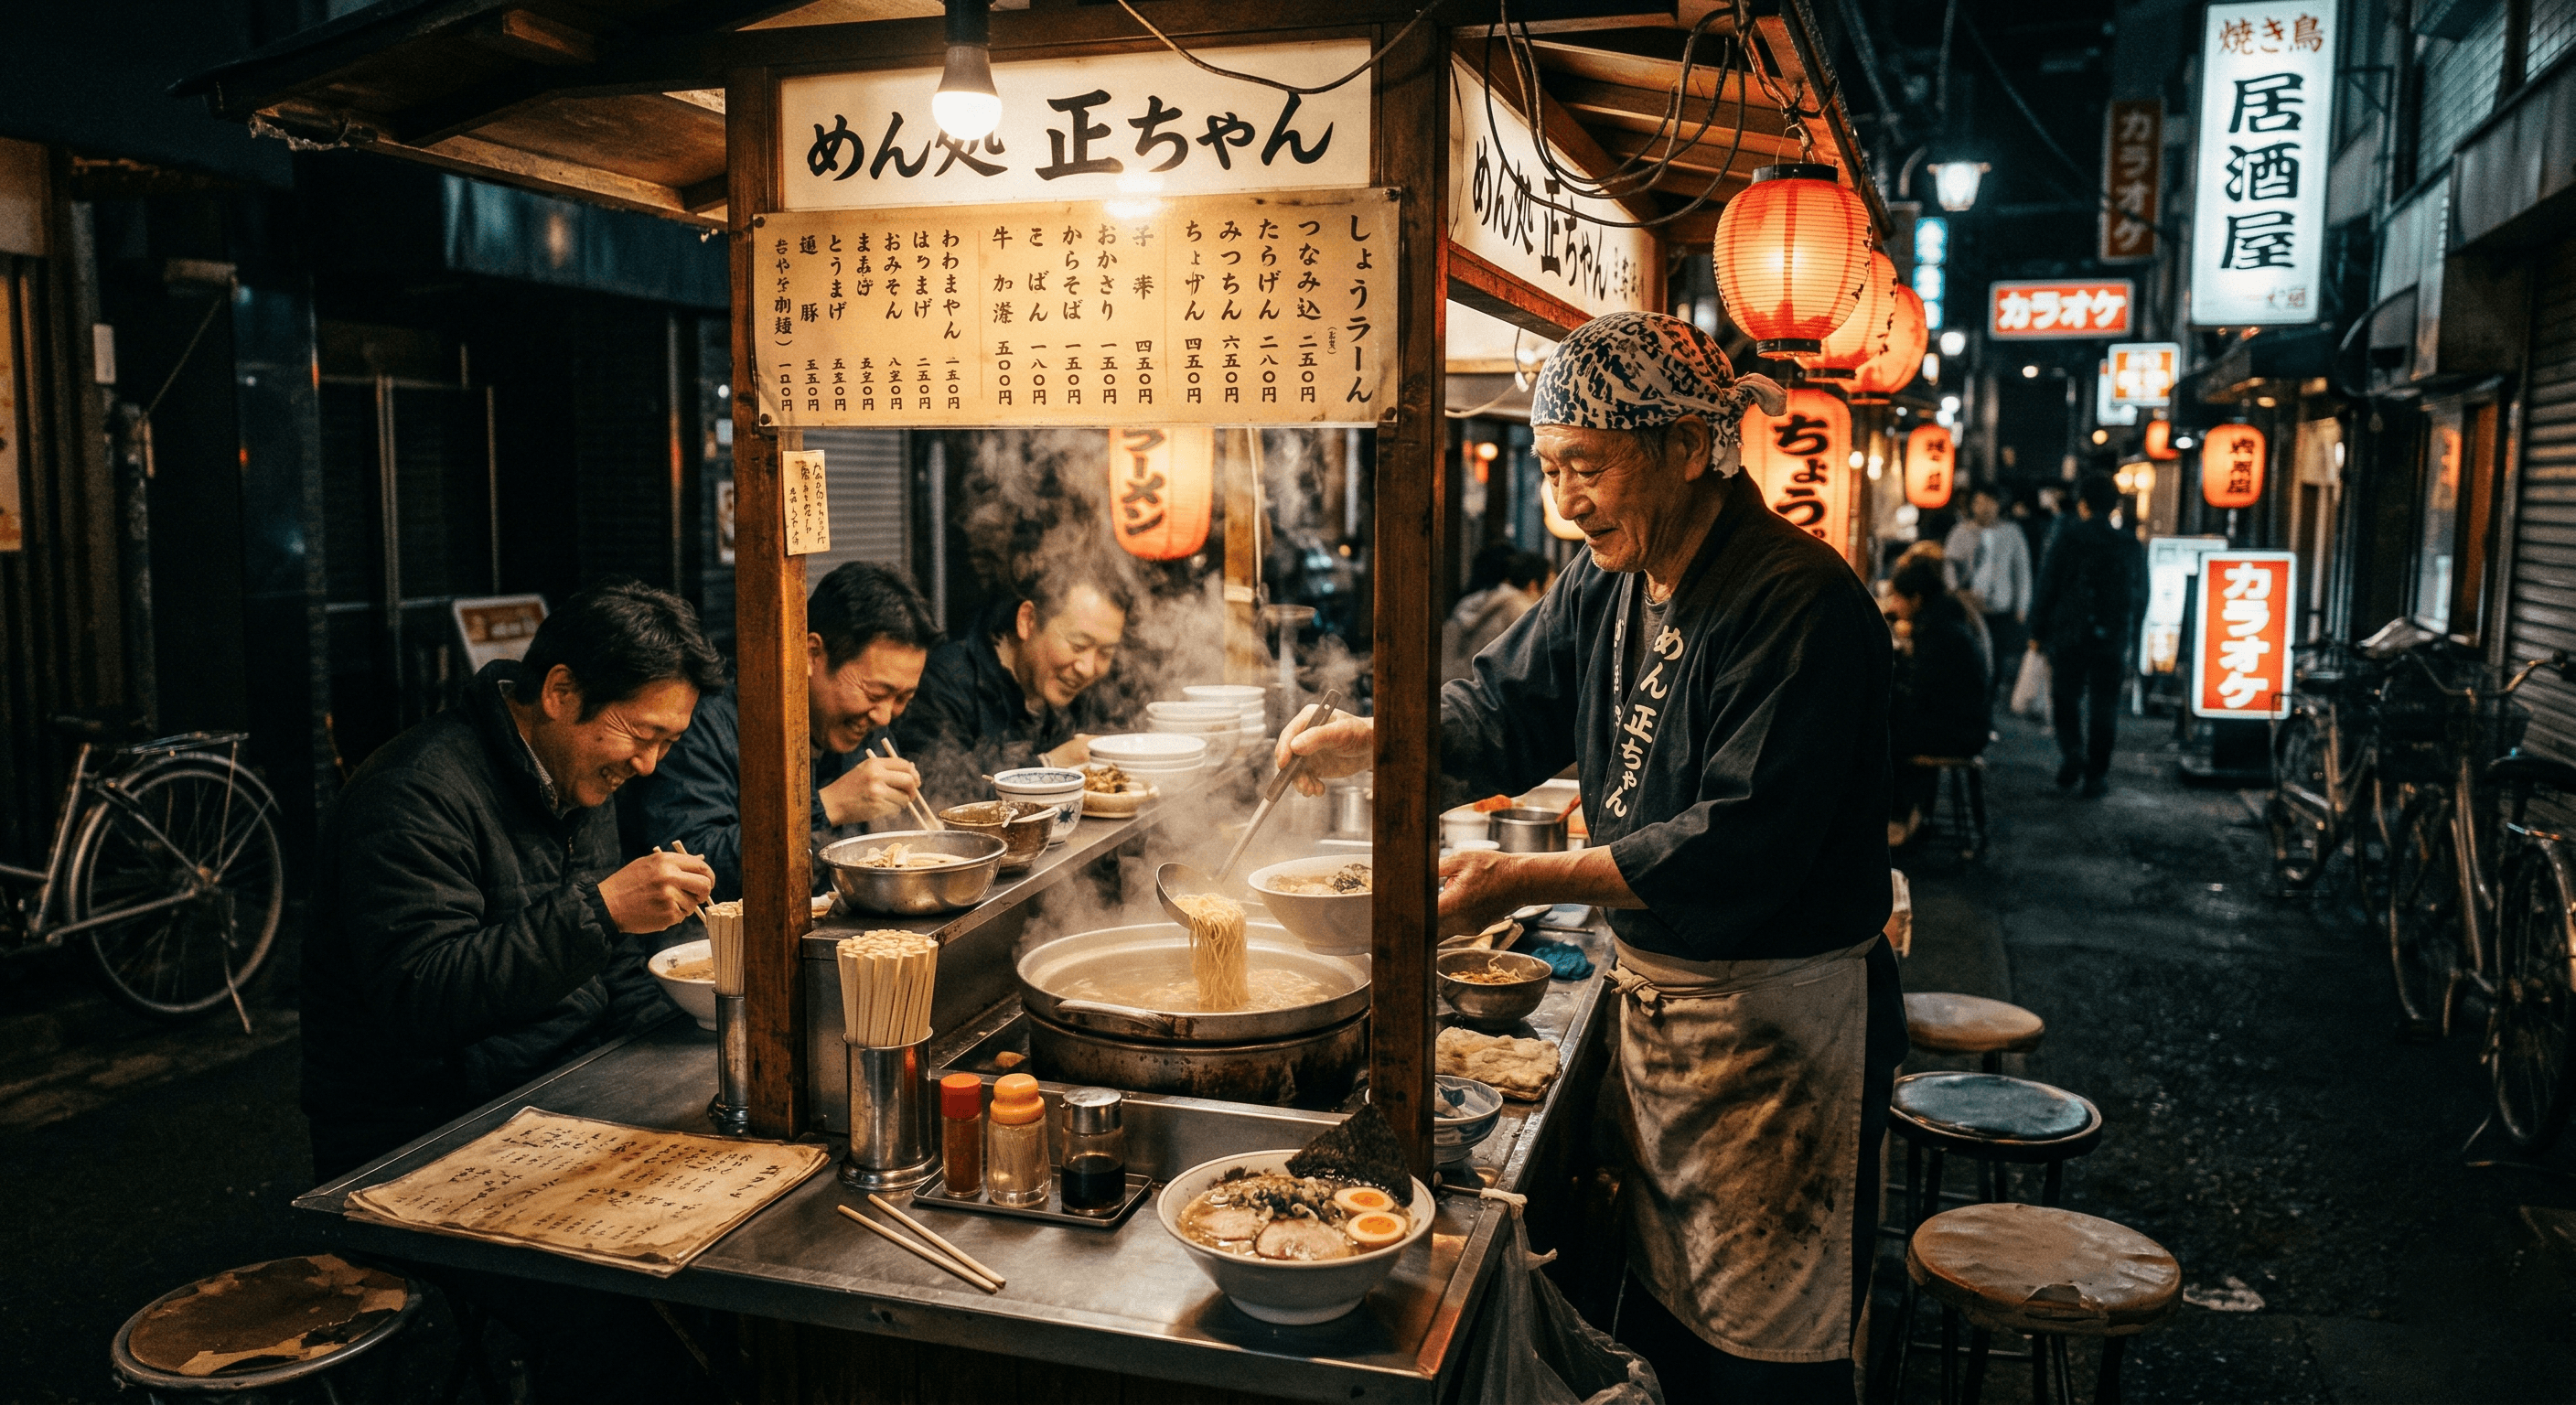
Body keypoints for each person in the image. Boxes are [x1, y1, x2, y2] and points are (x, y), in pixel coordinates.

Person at [1280, 312, 1904, 1405]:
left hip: (1779, 1033)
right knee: (1664, 1320)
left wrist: (1525, 878)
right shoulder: (1608, 579)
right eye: (1547, 467)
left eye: (1586, 465)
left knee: (1764, 1358)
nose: (1564, 500)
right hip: (1668, 1016)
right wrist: (1376, 743)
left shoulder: (1795, 599)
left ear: (1679, 446)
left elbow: (1743, 833)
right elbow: (1500, 711)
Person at [300, 580, 729, 1400]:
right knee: (629, 1324)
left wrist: (696, 1038)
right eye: (641, 735)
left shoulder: (577, 773)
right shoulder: (412, 795)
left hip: (551, 1100)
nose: (647, 766)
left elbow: (603, 974)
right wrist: (601, 910)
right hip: (421, 1133)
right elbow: (422, 996)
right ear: (561, 692)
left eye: (669, 744)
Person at [621, 562, 939, 900]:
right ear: (811, 653)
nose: (885, 715)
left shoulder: (866, 724)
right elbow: (691, 866)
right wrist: (825, 807)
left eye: (904, 697)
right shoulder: (706, 723)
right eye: (876, 694)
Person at [896, 573, 1129, 809]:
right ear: (1027, 620)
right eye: (1078, 645)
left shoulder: (1087, 690)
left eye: (1106, 653)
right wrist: (1050, 765)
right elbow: (932, 798)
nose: (1088, 669)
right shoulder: (945, 681)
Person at [2029, 471, 2143, 797]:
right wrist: (2132, 637)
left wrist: (2037, 629)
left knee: (2065, 697)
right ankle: (2097, 774)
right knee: (2104, 705)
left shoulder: (2069, 538)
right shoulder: (2128, 543)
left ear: (2083, 504)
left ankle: (2073, 752)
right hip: (2113, 636)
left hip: (2070, 633)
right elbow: (2140, 593)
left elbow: (2048, 584)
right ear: (2113, 506)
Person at [1885, 548, 1993, 846]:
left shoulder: (1937, 633)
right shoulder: (1943, 620)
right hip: (1964, 724)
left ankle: (1900, 820)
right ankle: (1910, 816)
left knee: (1880, 737)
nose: (1894, 605)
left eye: (1898, 598)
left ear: (1916, 598)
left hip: (1960, 732)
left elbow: (1921, 695)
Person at [1943, 486, 2033, 694]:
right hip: (1967, 607)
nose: (1985, 508)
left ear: (1998, 505)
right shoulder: (1960, 532)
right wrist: (1955, 593)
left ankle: (1988, 702)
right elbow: (1949, 567)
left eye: (1990, 502)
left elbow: (2022, 570)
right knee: (1967, 658)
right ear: (1973, 505)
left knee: (1995, 661)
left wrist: (2022, 605)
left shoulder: (2012, 533)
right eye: (1980, 502)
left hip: (1999, 608)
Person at [1443, 550, 1552, 681]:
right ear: (1533, 586)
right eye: (1551, 585)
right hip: (1483, 692)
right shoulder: (1522, 609)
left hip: (1451, 688)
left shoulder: (1474, 600)